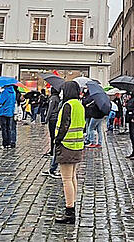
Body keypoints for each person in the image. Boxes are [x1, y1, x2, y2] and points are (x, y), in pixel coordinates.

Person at [54, 81, 86, 225]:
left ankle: (69, 211)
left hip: (66, 144)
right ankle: (72, 204)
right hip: (77, 144)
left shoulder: (68, 105)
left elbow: (64, 126)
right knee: (72, 177)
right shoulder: (79, 105)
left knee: (66, 179)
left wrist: (57, 140)